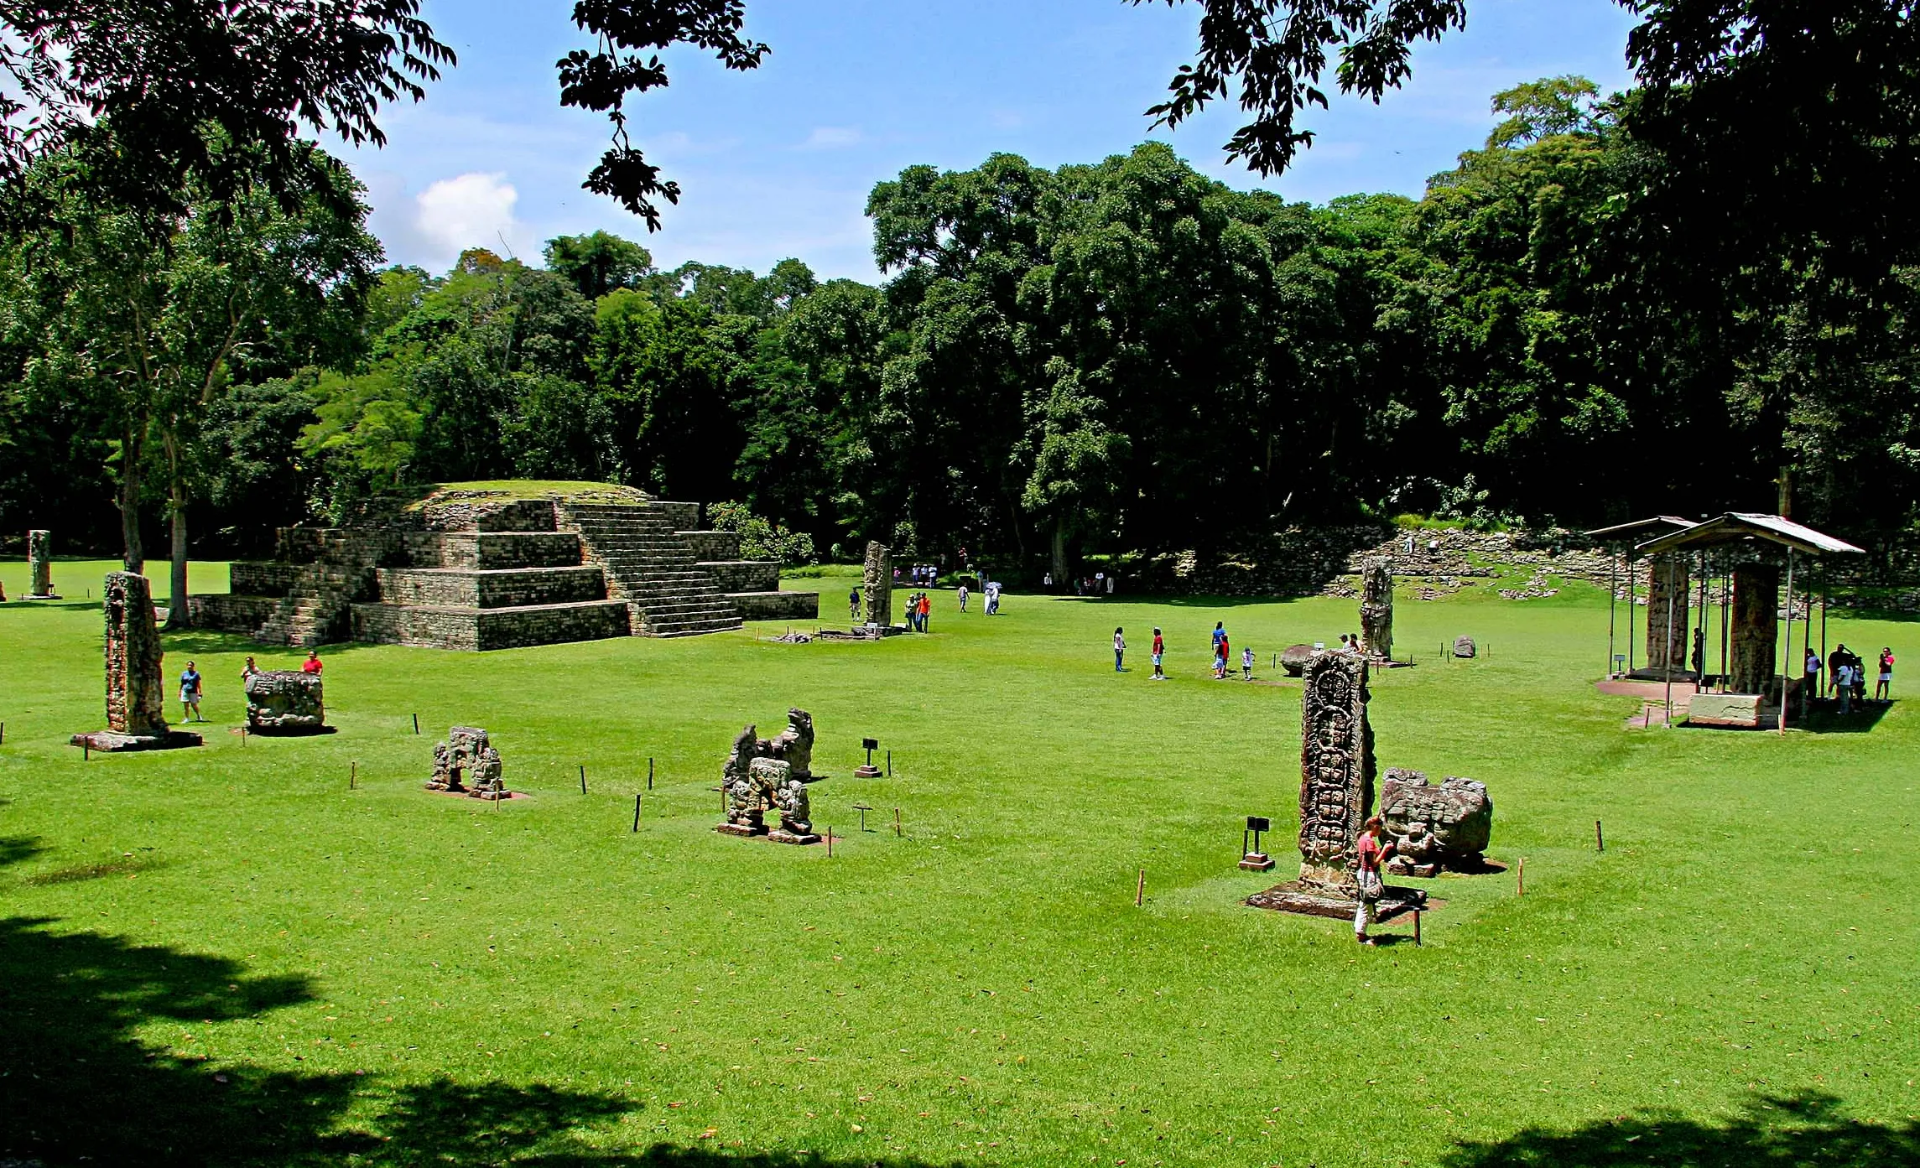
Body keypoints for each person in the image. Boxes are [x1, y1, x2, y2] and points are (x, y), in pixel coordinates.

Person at [1354, 815, 1394, 945]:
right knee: (1365, 905)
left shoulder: (1363, 838)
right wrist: (1386, 850)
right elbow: (1375, 862)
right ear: (1375, 827)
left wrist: (1382, 849)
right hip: (1368, 875)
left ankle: (1361, 931)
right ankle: (1361, 934)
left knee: (1367, 904)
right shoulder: (1369, 841)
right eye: (1380, 828)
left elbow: (1374, 852)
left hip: (1363, 873)